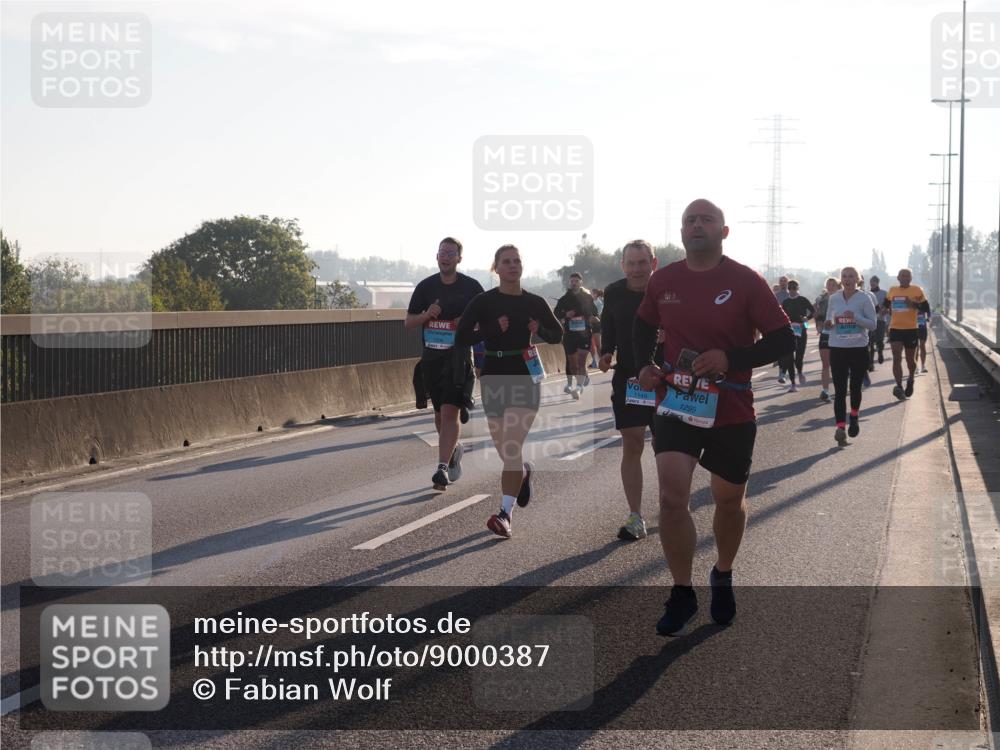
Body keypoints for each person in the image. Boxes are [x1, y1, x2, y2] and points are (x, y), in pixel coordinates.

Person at [634, 199, 794, 636]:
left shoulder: (745, 281)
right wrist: (644, 366)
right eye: (690, 220)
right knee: (671, 497)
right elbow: (642, 327)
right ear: (681, 233)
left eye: (707, 220)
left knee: (727, 501)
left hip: (733, 408)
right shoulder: (663, 280)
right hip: (677, 403)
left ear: (724, 232)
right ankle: (682, 591)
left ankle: (722, 571)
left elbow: (783, 340)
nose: (697, 225)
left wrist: (731, 357)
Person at [455, 245, 562, 539]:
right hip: (493, 377)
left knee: (511, 447)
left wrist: (539, 328)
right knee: (505, 449)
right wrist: (489, 329)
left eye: (517, 261)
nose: (513, 266)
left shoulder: (535, 302)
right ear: (497, 268)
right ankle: (523, 473)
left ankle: (505, 514)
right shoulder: (483, 302)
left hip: (525, 376)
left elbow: (557, 335)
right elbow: (462, 336)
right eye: (507, 262)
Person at [405, 237, 484, 490]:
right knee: (439, 416)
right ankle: (453, 451)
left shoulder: (472, 288)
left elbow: (486, 322)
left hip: (459, 359)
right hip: (432, 360)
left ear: (459, 258)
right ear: (436, 257)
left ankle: (441, 469)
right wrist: (427, 315)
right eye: (442, 252)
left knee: (450, 412)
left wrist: (468, 322)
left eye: (451, 253)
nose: (446, 256)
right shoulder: (425, 287)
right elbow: (408, 322)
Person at [598, 240, 659, 541]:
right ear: (623, 265)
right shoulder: (614, 292)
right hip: (629, 377)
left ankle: (674, 508)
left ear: (653, 263)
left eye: (642, 263)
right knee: (633, 443)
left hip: (665, 379)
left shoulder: (667, 292)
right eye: (631, 263)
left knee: (669, 448)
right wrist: (606, 352)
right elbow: (608, 324)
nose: (637, 269)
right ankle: (636, 516)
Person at [824, 267, 877, 447]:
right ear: (841, 279)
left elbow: (873, 325)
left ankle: (854, 416)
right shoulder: (834, 298)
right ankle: (840, 428)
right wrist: (828, 324)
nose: (847, 279)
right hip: (837, 348)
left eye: (851, 276)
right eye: (844, 276)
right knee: (839, 391)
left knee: (855, 388)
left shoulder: (864, 298)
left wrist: (855, 318)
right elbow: (829, 322)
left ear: (858, 279)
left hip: (858, 348)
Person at [883, 268, 930, 400]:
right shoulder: (892, 290)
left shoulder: (917, 290)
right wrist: (883, 310)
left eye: (907, 276)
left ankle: (910, 379)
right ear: (898, 278)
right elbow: (886, 304)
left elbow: (926, 308)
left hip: (911, 329)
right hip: (895, 329)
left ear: (911, 278)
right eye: (902, 275)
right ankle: (898, 386)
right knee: (896, 357)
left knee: (910, 360)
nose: (904, 277)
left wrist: (914, 304)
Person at [554, 273, 598, 398]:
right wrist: (565, 314)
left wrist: (592, 319)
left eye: (576, 281)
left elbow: (595, 313)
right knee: (573, 365)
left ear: (581, 282)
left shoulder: (587, 298)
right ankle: (581, 380)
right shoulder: (564, 299)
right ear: (570, 283)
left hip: (584, 334)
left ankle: (578, 388)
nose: (574, 283)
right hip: (569, 334)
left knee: (581, 361)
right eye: (572, 281)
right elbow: (556, 313)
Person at [778, 279, 815, 391]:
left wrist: (806, 319)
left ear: (798, 288)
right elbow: (781, 316)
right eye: (790, 288)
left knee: (799, 356)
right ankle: (793, 384)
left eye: (794, 288)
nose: (792, 290)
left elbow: (813, 311)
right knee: (789, 356)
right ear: (788, 289)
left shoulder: (802, 300)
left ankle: (800, 372)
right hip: (789, 331)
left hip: (801, 330)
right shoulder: (785, 302)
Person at [813, 277, 841, 402]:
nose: (830, 286)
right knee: (826, 364)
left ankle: (840, 389)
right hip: (825, 333)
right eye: (829, 284)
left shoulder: (842, 298)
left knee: (838, 364)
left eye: (833, 284)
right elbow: (817, 315)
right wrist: (818, 325)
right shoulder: (821, 299)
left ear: (838, 286)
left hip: (840, 334)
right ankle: (825, 391)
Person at [867, 276, 888, 370]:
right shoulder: (867, 293)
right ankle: (871, 363)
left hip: (881, 320)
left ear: (878, 283)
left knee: (879, 340)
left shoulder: (884, 293)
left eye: (874, 282)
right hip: (870, 321)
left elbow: (888, 305)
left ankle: (880, 352)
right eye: (871, 282)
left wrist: (885, 310)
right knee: (870, 342)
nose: (872, 283)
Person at [590, 288, 605, 369]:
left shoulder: (598, 303)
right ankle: (594, 361)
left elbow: (598, 315)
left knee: (598, 345)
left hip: (596, 325)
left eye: (592, 293)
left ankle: (601, 361)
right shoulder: (590, 302)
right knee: (591, 344)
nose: (591, 295)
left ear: (595, 294)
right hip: (589, 325)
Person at [917, 307, 931, 372]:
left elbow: (928, 312)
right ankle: (915, 367)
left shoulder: (924, 302)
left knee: (922, 346)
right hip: (913, 327)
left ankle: (923, 366)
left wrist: (928, 318)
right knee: (915, 348)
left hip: (923, 327)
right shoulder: (911, 300)